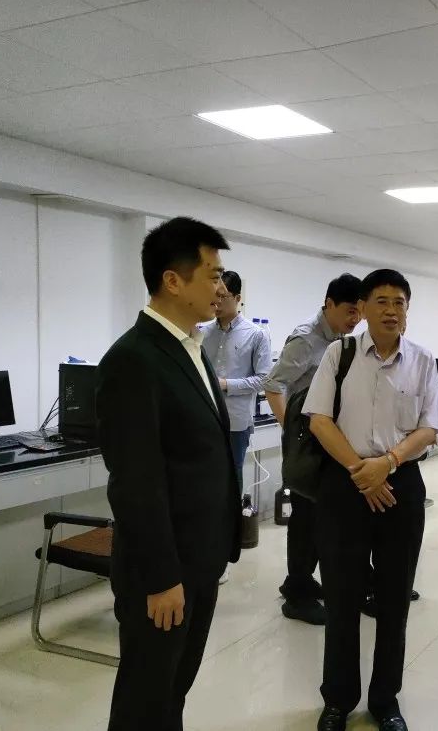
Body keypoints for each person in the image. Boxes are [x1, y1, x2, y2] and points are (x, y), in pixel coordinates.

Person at [96, 217, 242, 731]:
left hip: (199, 557)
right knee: (145, 699)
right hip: (163, 571)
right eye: (213, 275)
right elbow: (136, 482)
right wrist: (162, 579)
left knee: (172, 690)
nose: (222, 287)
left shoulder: (189, 348)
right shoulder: (133, 359)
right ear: (173, 281)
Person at [304, 269, 438, 731]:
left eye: (399, 302)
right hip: (344, 484)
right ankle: (338, 700)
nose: (391, 311)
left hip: (399, 485)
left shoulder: (421, 360)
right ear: (363, 308)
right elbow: (319, 420)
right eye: (382, 301)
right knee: (341, 598)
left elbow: (430, 428)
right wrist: (360, 471)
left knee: (393, 599)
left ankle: (386, 700)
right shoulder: (339, 353)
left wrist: (386, 464)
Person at [263, 274, 362, 626]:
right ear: (329, 304)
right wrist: (292, 432)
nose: (355, 319)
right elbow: (273, 385)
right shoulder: (306, 339)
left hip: (327, 439)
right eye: (349, 311)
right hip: (308, 443)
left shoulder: (342, 339)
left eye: (359, 312)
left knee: (323, 515)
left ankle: (300, 580)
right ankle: (297, 597)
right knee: (305, 519)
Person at [201, 270, 272, 493]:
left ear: (238, 298)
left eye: (223, 297)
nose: (217, 302)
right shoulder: (202, 333)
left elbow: (264, 379)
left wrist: (226, 384)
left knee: (232, 475)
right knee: (205, 475)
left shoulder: (256, 334)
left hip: (236, 422)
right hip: (205, 418)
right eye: (215, 296)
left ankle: (233, 516)